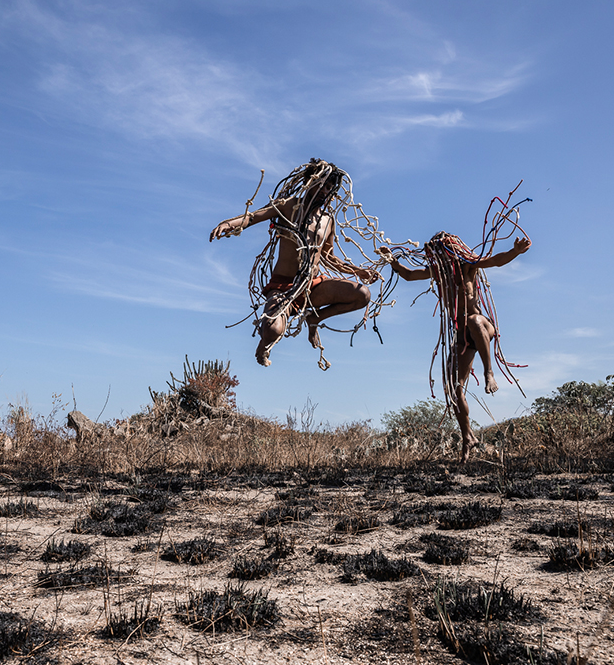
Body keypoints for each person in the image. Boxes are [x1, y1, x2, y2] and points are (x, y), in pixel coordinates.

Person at [210, 159, 378, 367]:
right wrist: (228, 224)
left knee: (363, 295)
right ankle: (263, 346)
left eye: (329, 188)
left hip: (312, 286)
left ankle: (314, 319)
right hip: (283, 286)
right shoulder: (288, 205)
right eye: (321, 184)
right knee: (272, 330)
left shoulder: (327, 220)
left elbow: (329, 256)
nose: (324, 191)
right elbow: (253, 217)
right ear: (309, 181)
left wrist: (358, 271)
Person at [380, 232, 531, 462]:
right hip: (461, 337)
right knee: (453, 387)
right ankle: (468, 437)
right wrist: (392, 260)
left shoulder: (468, 266)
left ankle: (488, 371)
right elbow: (409, 275)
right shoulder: (439, 273)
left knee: (472, 320)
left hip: (481, 326)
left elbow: (494, 260)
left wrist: (515, 252)